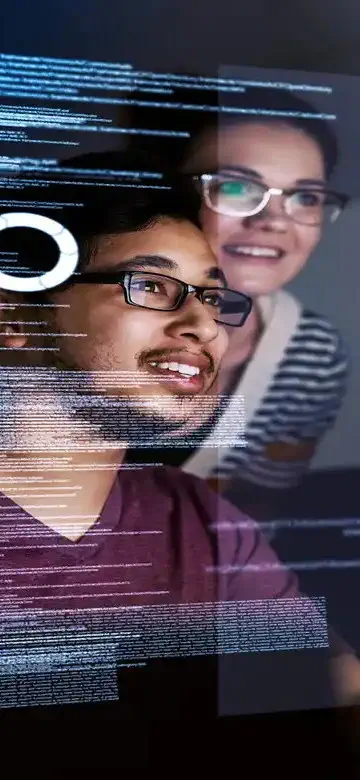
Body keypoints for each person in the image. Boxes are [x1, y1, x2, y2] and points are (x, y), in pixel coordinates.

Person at [0, 179, 359, 711]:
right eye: (149, 285)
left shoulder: (201, 520)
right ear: (12, 317)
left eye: (212, 299)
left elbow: (331, 683)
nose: (204, 326)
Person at [120, 84, 350, 519]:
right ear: (164, 192)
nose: (274, 221)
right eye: (238, 188)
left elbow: (257, 512)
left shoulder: (313, 355)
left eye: (306, 198)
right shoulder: (72, 318)